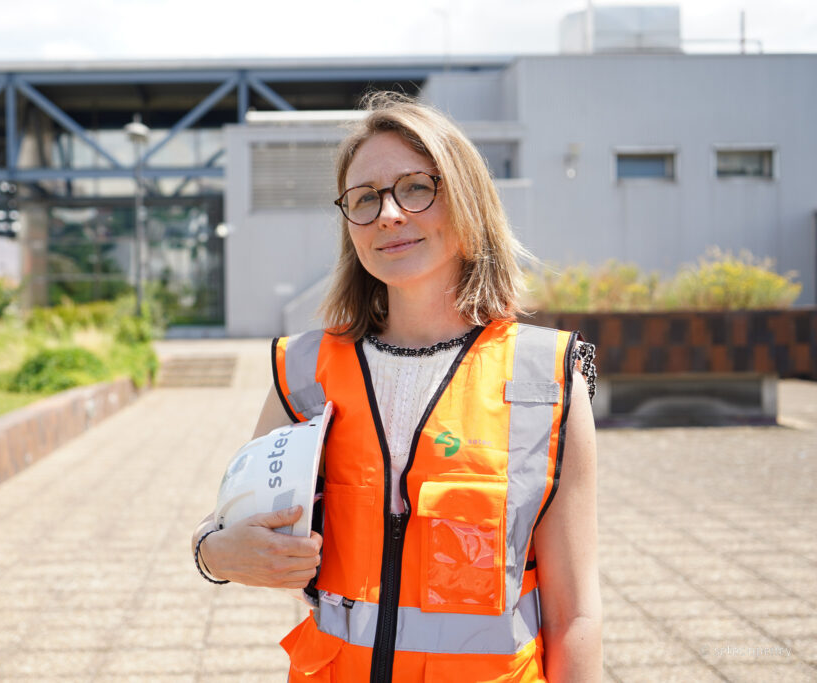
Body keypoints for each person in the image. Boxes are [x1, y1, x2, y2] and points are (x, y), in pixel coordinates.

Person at [192, 92, 601, 682]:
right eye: (364, 198)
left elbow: (576, 616)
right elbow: (220, 525)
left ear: (467, 205)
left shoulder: (546, 380)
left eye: (415, 187)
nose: (387, 213)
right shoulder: (305, 372)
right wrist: (217, 554)